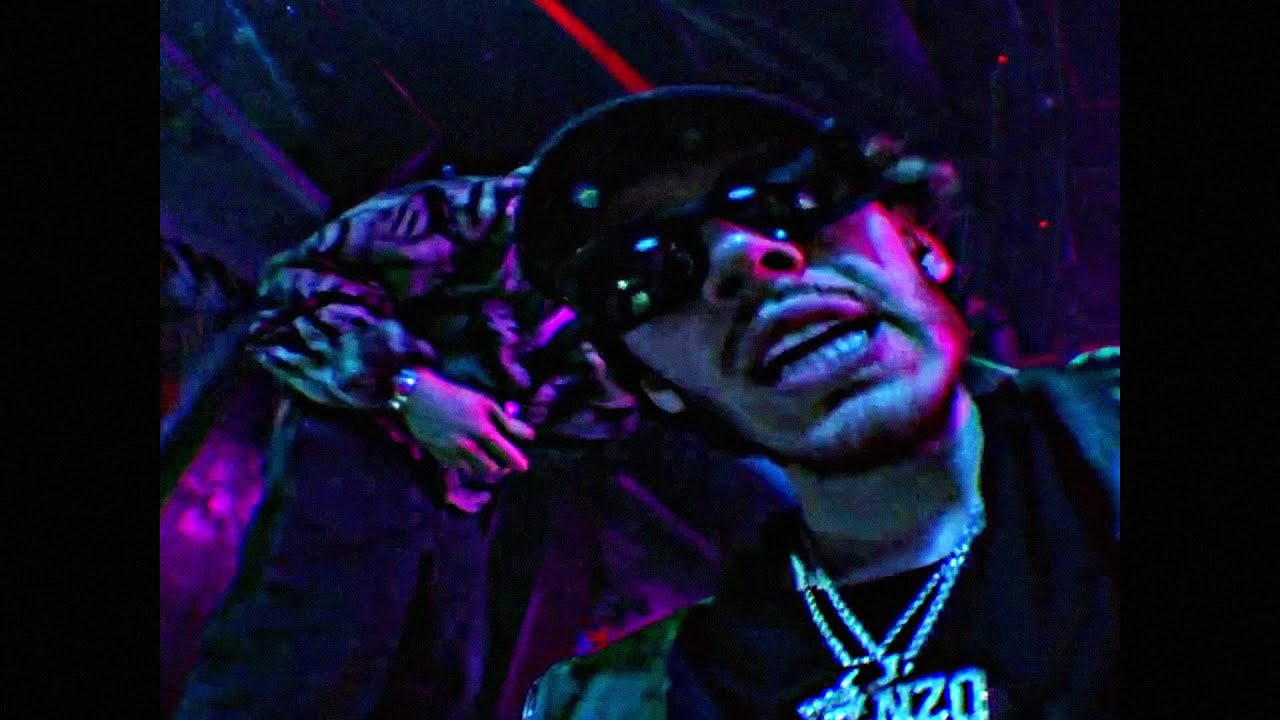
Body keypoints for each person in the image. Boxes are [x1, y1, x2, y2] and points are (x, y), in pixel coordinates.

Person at [512, 86, 1119, 720]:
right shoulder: (614, 703)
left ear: (917, 243)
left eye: (792, 196)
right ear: (652, 383)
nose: (742, 257)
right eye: (646, 270)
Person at [173, 170, 637, 720]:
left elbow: (567, 424)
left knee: (431, 688)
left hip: (460, 496)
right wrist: (408, 386)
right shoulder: (502, 209)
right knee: (297, 666)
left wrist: (608, 394)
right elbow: (292, 289)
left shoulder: (635, 291)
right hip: (360, 439)